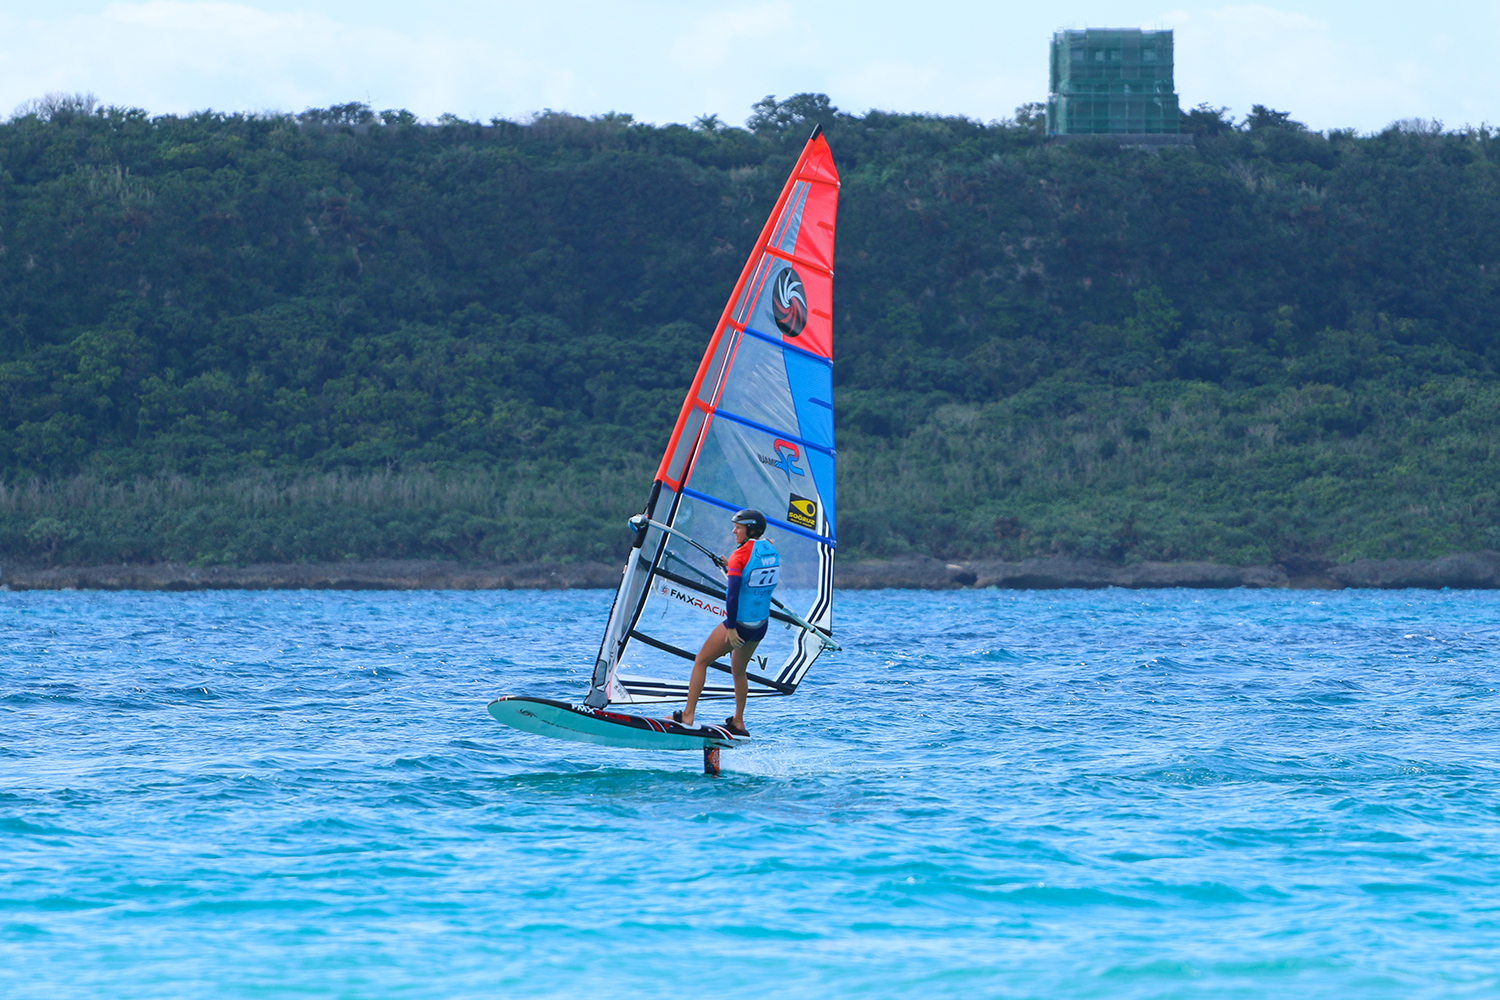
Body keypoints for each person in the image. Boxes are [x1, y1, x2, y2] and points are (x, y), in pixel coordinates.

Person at [674, 509, 779, 735]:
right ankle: (738, 721)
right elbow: (752, 571)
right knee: (739, 671)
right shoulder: (771, 548)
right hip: (760, 625)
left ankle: (688, 714)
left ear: (750, 529)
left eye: (738, 527)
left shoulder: (739, 557)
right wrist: (729, 565)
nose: (734, 531)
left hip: (739, 624)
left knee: (701, 661)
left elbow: (731, 597)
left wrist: (731, 629)